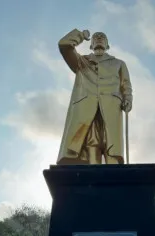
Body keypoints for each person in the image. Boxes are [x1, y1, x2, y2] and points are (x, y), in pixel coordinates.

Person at [57, 29, 133, 165]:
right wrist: (80, 36)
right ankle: (92, 170)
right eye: (95, 37)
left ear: (107, 45)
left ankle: (115, 174)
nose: (99, 38)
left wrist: (128, 99)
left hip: (111, 106)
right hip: (87, 105)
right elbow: (64, 45)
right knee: (91, 141)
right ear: (91, 45)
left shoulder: (119, 63)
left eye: (102, 37)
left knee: (112, 142)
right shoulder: (82, 62)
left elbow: (126, 85)